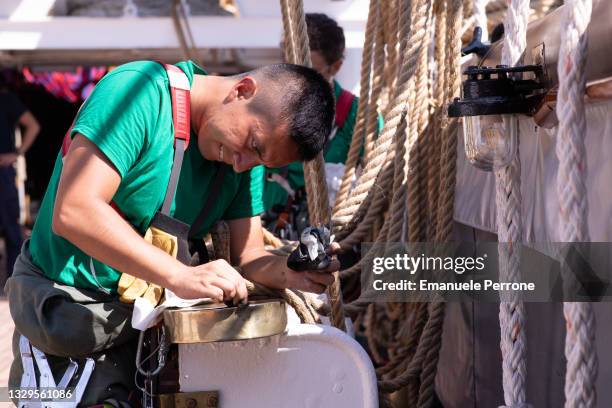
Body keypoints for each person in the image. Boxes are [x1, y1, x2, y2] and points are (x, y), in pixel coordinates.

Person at [5, 60, 338, 405]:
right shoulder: (139, 93)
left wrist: (293, 272)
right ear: (242, 91)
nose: (243, 165)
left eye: (261, 162)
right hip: (65, 330)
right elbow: (74, 210)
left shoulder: (243, 160)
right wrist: (180, 275)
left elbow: (249, 256)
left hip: (143, 346)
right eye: (253, 146)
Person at [263, 13, 383, 237]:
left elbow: (380, 181)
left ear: (336, 66)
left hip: (334, 236)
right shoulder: (262, 107)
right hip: (269, 235)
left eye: (311, 73)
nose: (297, 83)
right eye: (292, 69)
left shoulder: (359, 117)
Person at [0, 73, 40, 279]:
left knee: (11, 227)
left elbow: (33, 125)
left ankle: (12, 281)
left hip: (3, 172)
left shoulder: (6, 99)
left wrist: (16, 153)